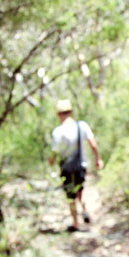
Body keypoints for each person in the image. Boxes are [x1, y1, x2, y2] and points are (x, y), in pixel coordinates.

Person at [49, 99, 104, 231]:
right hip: (81, 165)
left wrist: (51, 162)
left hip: (66, 168)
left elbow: (54, 152)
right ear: (71, 112)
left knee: (70, 196)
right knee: (80, 190)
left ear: (59, 114)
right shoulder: (82, 126)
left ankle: (75, 223)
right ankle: (84, 210)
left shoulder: (58, 131)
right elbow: (93, 144)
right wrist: (98, 159)